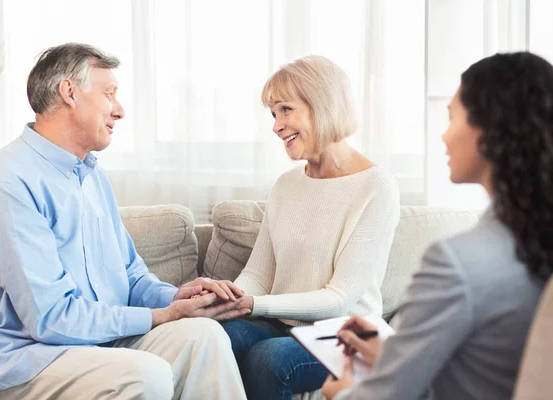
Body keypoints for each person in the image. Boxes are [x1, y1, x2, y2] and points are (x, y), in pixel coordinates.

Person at [0, 43, 249, 400]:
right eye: (109, 94)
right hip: (21, 359)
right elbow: (51, 319)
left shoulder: (92, 176)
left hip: (94, 345)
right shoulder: (8, 183)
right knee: (144, 376)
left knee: (205, 335)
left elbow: (131, 276)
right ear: (69, 92)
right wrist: (161, 315)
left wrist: (180, 298)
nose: (119, 110)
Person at [321, 51, 553, 400]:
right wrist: (397, 352)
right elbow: (491, 364)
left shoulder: (456, 261)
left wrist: (341, 393)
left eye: (452, 118)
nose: (443, 137)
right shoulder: (536, 242)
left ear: (488, 129)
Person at [221, 55, 401, 399]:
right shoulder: (285, 185)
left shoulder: (376, 186)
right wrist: (229, 299)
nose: (276, 126)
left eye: (286, 110)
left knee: (269, 358)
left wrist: (254, 305)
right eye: (274, 114)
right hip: (283, 326)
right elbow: (258, 276)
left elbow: (339, 299)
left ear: (323, 106)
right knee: (213, 333)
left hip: (350, 333)